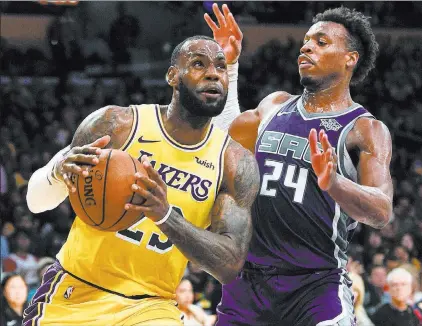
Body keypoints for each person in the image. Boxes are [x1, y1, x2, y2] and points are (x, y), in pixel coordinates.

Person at [23, 10, 259, 326]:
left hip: (151, 308)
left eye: (221, 67)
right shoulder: (117, 124)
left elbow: (229, 265)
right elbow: (35, 203)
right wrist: (56, 172)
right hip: (76, 291)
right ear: (173, 76)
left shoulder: (234, 163)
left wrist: (164, 215)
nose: (213, 73)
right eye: (199, 64)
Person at [207, 5, 394, 325]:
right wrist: (230, 65)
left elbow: (381, 211)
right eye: (306, 40)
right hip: (247, 281)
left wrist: (335, 181)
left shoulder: (364, 129)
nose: (306, 46)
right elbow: (224, 139)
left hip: (316, 286)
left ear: (350, 59)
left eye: (321, 42)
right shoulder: (274, 104)